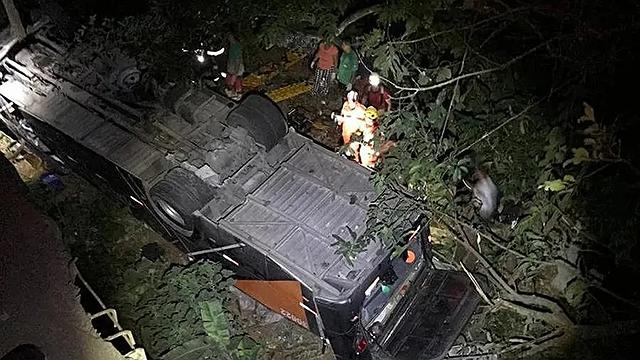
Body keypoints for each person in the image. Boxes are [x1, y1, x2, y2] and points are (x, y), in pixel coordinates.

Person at [333, 90, 366, 161]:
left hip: (354, 135)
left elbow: (365, 124)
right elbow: (342, 114)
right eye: (349, 99)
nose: (351, 102)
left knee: (353, 151)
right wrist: (339, 121)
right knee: (345, 145)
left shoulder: (361, 110)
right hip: (346, 131)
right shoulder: (346, 104)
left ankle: (355, 162)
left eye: (353, 100)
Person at [225, 34, 244, 98]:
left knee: (234, 82)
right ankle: (234, 94)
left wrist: (236, 71)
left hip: (235, 69)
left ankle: (236, 95)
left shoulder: (236, 47)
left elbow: (238, 60)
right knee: (232, 82)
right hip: (233, 68)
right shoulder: (232, 46)